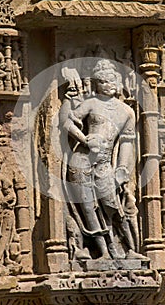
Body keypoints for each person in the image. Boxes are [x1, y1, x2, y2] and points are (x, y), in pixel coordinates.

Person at [60, 59, 143, 259]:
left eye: (113, 80)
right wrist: (84, 139)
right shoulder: (91, 103)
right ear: (97, 83)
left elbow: (126, 142)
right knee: (88, 208)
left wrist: (122, 169)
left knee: (112, 205)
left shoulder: (127, 112)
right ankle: (105, 251)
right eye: (104, 81)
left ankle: (128, 248)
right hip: (81, 159)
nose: (109, 84)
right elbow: (67, 123)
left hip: (105, 163)